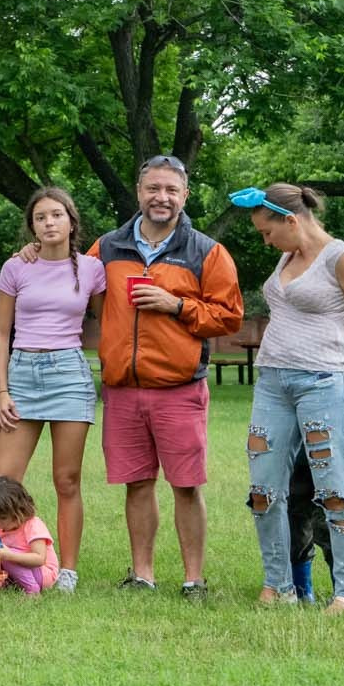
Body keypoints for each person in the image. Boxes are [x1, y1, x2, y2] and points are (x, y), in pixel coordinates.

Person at [233, 182, 344, 611]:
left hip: (324, 383)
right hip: (272, 382)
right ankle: (278, 586)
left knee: (333, 488)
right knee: (264, 488)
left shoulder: (339, 257)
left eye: (267, 232)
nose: (265, 241)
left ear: (291, 220)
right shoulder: (289, 255)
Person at [90, 155, 244, 597]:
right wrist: (33, 252)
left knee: (186, 485)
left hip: (179, 389)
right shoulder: (107, 248)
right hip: (122, 389)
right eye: (154, 189)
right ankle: (143, 575)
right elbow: (68, 279)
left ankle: (194, 579)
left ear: (185, 196)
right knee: (137, 484)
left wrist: (176, 305)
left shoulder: (206, 251)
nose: (162, 197)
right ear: (139, 193)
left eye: (171, 190)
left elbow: (229, 317)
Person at [0, 188, 105, 589]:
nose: (49, 223)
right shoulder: (16, 267)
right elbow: (1, 332)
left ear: (71, 221)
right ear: (33, 226)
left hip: (69, 374)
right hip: (22, 372)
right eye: (40, 218)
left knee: (67, 479)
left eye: (56, 215)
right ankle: (3, 564)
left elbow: (105, 325)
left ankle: (67, 571)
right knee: (5, 479)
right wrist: (3, 392)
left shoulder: (92, 269)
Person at [0, 476, 60, 596]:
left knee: (6, 556)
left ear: (19, 510)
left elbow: (39, 559)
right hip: (17, 567)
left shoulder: (33, 525)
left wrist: (10, 555)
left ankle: (32, 591)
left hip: (43, 574)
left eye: (3, 518)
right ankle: (3, 583)